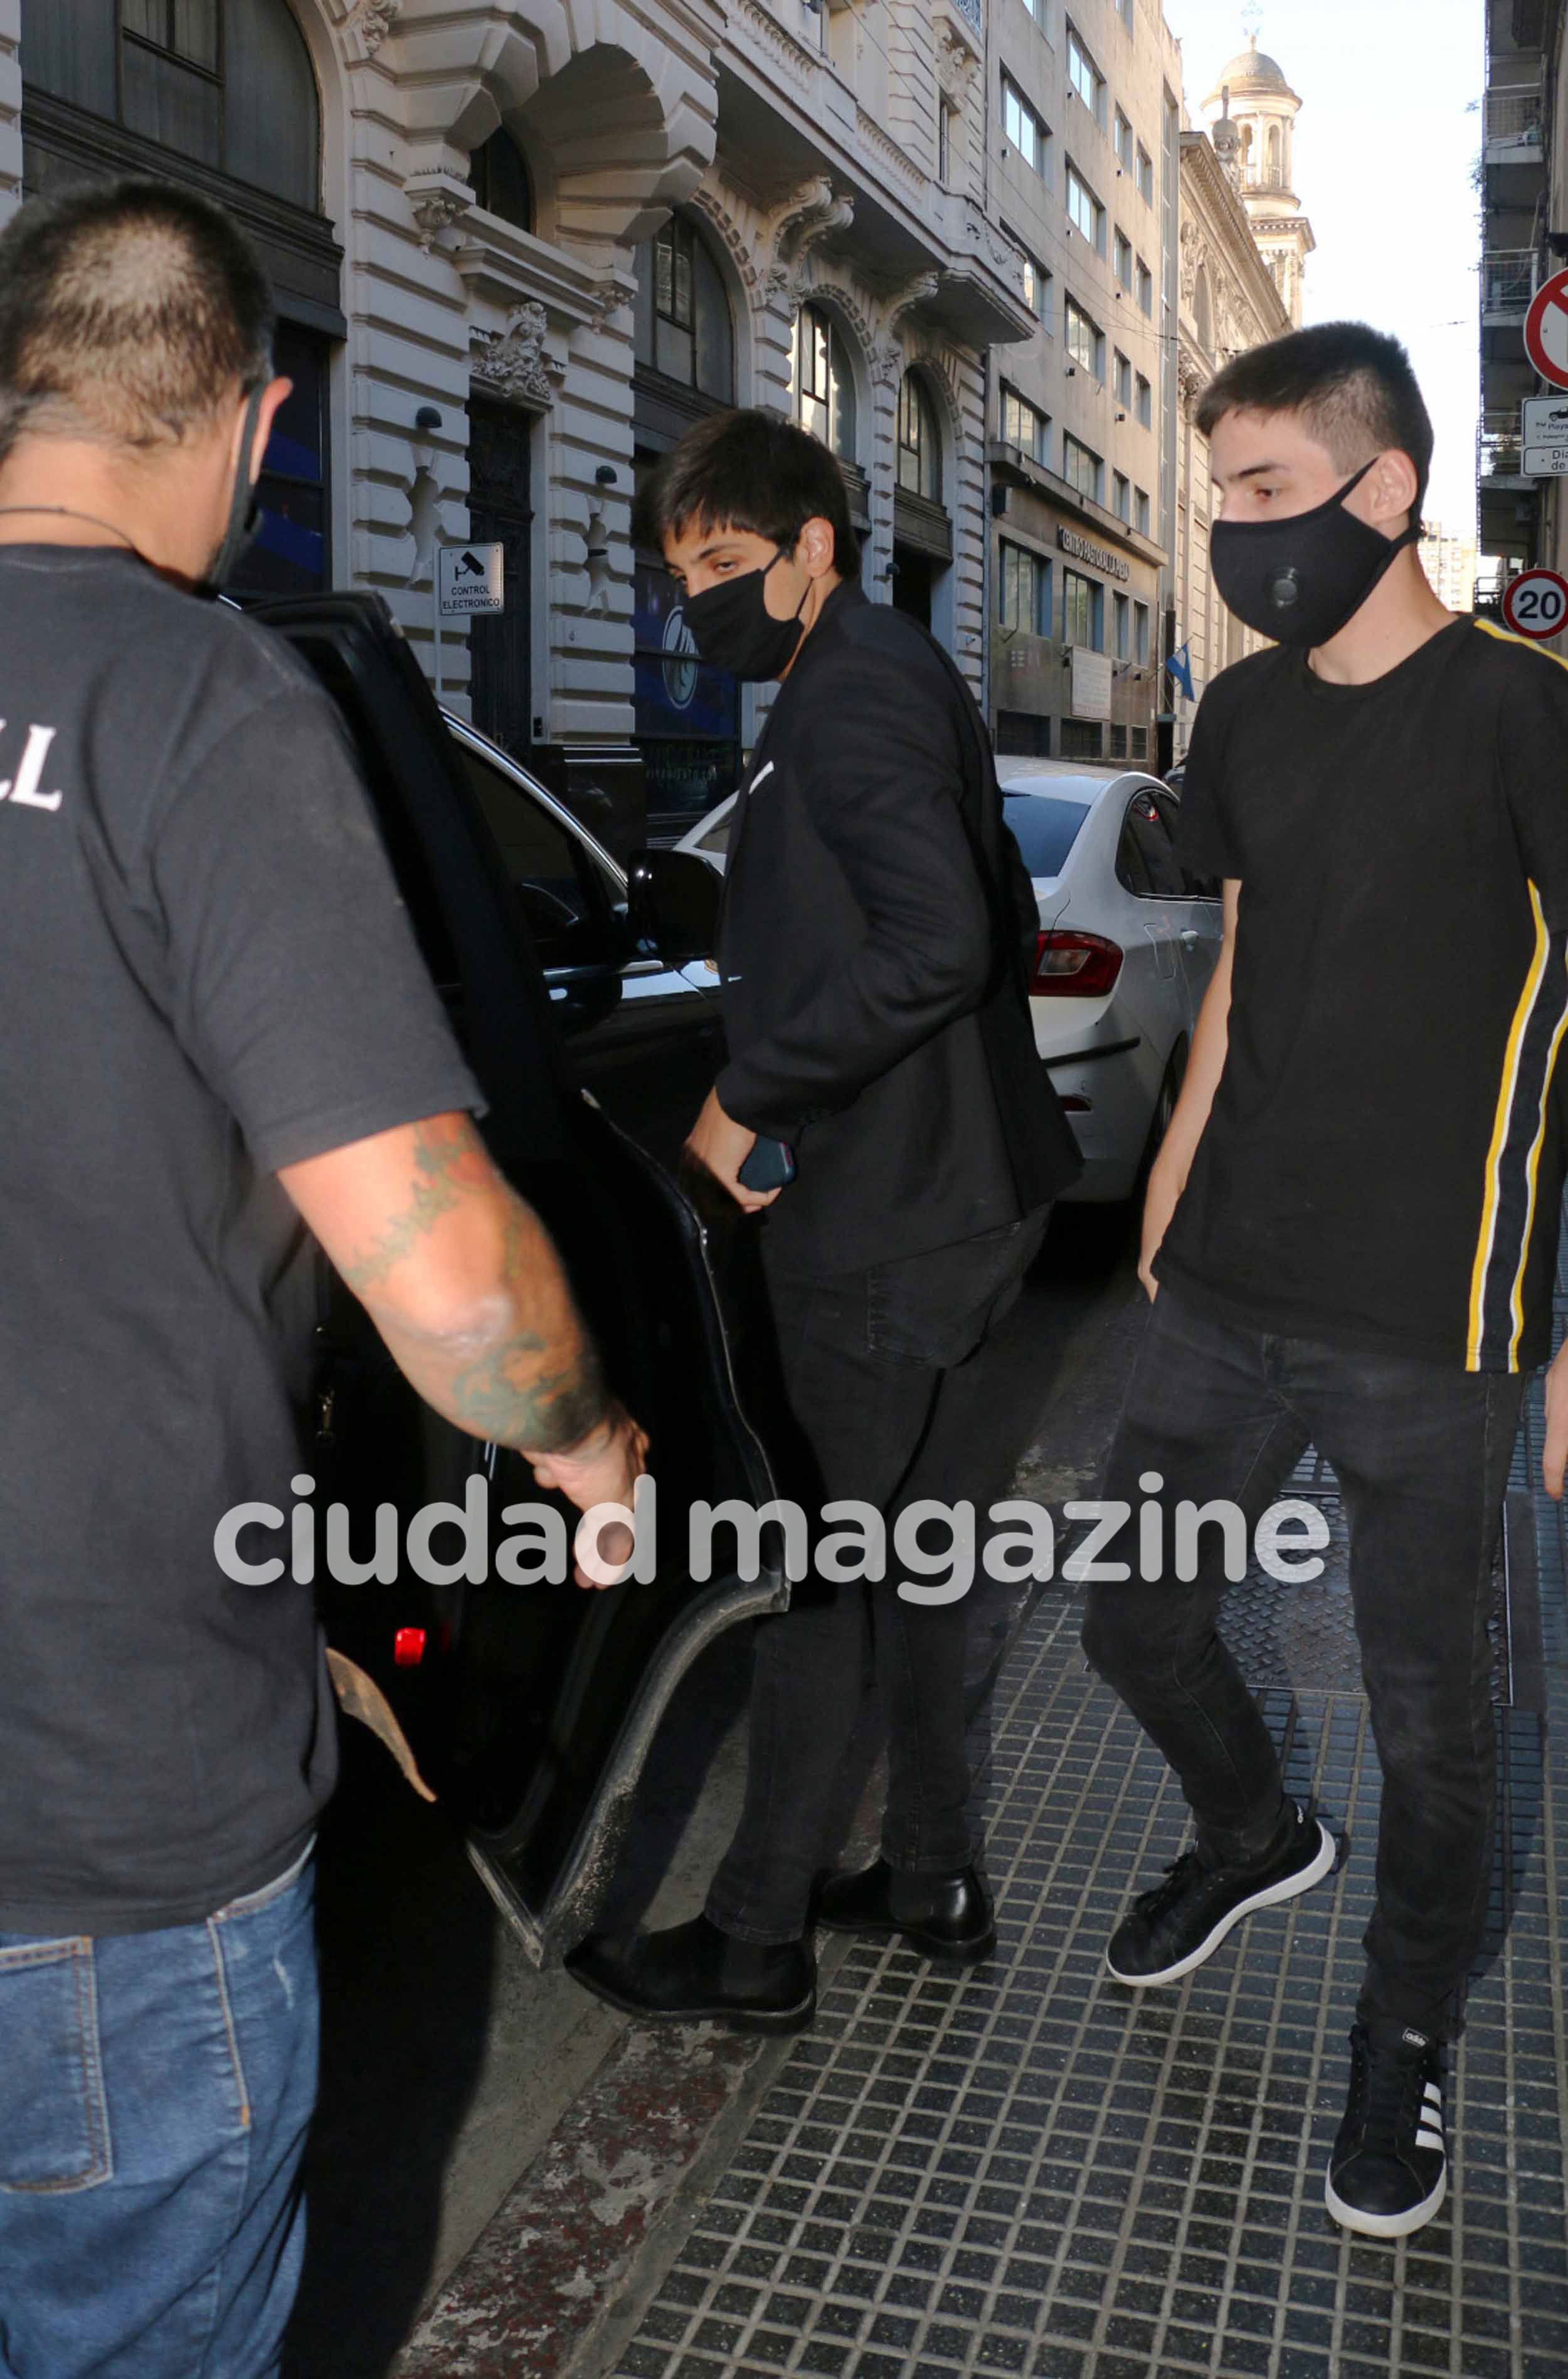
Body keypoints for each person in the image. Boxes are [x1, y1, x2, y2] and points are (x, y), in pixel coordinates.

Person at [0, 180, 644, 2377]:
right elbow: (448, 1278)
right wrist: (585, 1433)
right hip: (93, 1826)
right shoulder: (210, 705)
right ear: (253, 422)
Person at [1081, 320, 1568, 2242]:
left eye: (1267, 493)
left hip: (1437, 1326)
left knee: (1439, 1726)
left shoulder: (1526, 711)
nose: (1236, 535)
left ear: (1387, 489)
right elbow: (1240, 957)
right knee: (1129, 1621)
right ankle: (1252, 1832)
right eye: (1222, 499)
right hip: (1221, 1282)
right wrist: (1173, 1177)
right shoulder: (1246, 713)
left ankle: (1401, 2024)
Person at [567, 408, 1081, 2033]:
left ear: (813, 550)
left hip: (886, 1213)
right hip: (959, 1194)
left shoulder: (847, 693)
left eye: (724, 564)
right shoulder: (888, 670)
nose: (695, 600)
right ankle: (924, 1874)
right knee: (909, 1558)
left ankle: (751, 1939)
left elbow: (937, 939)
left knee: (814, 1574)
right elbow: (982, 904)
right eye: (677, 574)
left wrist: (757, 1088)